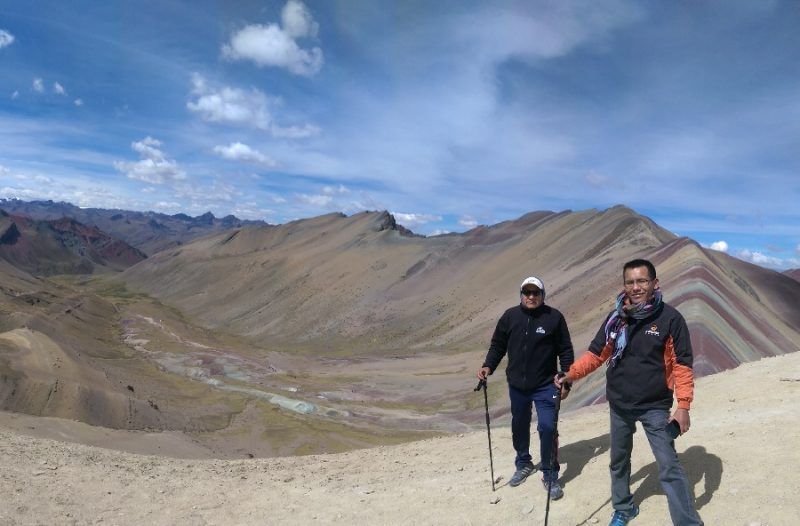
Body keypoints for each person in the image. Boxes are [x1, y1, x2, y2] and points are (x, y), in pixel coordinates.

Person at [555, 259, 704, 526]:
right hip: (620, 403)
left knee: (669, 466)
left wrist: (683, 405)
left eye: (642, 281)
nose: (636, 287)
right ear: (624, 285)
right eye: (630, 282)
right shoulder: (616, 319)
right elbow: (596, 354)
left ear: (654, 284)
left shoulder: (671, 319)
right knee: (619, 460)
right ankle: (624, 508)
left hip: (655, 406)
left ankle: (687, 522)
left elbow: (682, 365)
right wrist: (571, 374)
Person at [477, 276, 574, 500]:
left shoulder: (554, 318)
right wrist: (488, 366)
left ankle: (549, 474)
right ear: (521, 294)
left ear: (542, 294)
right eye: (526, 292)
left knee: (548, 427)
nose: (531, 297)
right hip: (517, 385)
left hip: (545, 384)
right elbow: (498, 345)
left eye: (535, 293)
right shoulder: (510, 317)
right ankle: (523, 463)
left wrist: (567, 379)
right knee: (519, 424)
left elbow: (565, 351)